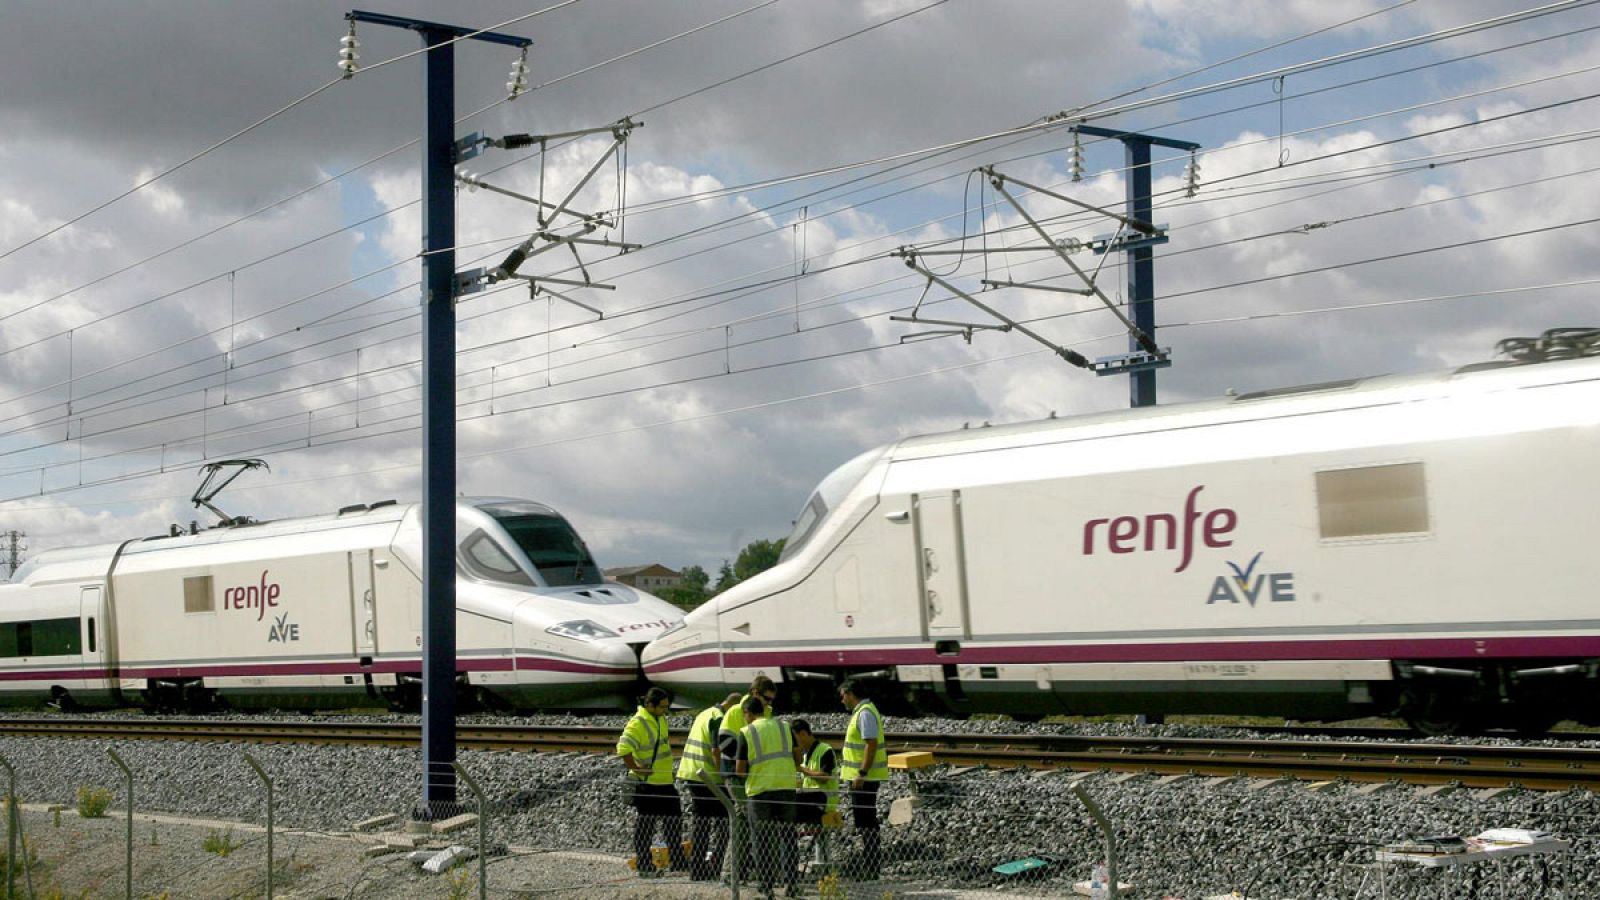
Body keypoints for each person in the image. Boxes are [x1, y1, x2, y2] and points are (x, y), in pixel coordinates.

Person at [736, 695, 803, 899]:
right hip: (785, 787)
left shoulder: (746, 732)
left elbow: (740, 770)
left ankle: (766, 886)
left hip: (760, 791)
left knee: (761, 839)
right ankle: (791, 884)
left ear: (747, 713)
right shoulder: (784, 727)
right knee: (788, 837)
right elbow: (798, 756)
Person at [617, 686, 688, 877]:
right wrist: (638, 768)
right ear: (650, 704)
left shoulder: (660, 719)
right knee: (645, 827)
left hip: (664, 781)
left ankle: (678, 862)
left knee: (673, 823)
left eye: (667, 706)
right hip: (647, 784)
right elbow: (623, 748)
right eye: (662, 707)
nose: (666, 710)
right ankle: (645, 865)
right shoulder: (638, 723)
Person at [677, 692, 743, 881]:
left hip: (692, 772)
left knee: (702, 820)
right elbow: (716, 750)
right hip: (708, 776)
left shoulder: (705, 713)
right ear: (732, 708)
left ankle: (697, 869)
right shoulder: (719, 718)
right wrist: (723, 775)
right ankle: (718, 864)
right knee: (725, 818)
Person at [718, 675, 777, 880]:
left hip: (755, 776)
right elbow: (724, 742)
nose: (769, 704)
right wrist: (746, 761)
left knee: (754, 820)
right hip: (736, 774)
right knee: (744, 818)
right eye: (766, 699)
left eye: (771, 700)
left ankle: (747, 870)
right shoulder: (736, 711)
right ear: (754, 693)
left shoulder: (767, 713)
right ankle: (731, 873)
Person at [839, 678, 888, 880]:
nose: (842, 700)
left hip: (864, 778)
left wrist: (862, 773)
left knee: (866, 822)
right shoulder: (862, 711)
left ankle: (871, 867)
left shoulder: (865, 713)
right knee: (864, 821)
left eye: (843, 696)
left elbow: (871, 743)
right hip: (861, 777)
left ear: (850, 694)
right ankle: (869, 866)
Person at [791, 718, 839, 827]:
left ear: (803, 734)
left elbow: (824, 777)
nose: (794, 744)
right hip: (813, 798)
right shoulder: (806, 755)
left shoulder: (825, 750)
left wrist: (801, 769)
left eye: (795, 740)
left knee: (790, 805)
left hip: (824, 799)